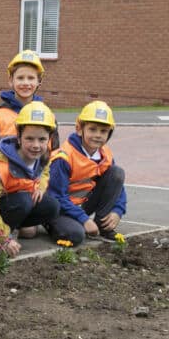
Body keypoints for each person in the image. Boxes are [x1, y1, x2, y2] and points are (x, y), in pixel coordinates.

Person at [46, 101, 126, 246]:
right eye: (92, 129)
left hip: (82, 205)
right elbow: (57, 197)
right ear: (79, 129)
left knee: (117, 173)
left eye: (103, 131)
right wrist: (84, 219)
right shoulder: (64, 157)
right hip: (60, 208)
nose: (98, 135)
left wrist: (117, 210)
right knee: (75, 235)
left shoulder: (105, 154)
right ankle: (50, 224)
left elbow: (118, 186)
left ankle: (103, 225)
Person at [0, 101, 60, 245]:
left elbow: (45, 172)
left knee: (52, 207)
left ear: (49, 138)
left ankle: (14, 227)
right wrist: (2, 236)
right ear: (18, 137)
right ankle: (0, 236)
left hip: (19, 203)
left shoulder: (44, 156)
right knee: (24, 201)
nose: (36, 145)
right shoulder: (0, 165)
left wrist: (40, 187)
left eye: (42, 139)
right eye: (29, 138)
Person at [0, 51, 58, 151]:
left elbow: (54, 154)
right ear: (11, 80)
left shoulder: (48, 116)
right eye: (20, 78)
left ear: (39, 81)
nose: (25, 83)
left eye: (31, 78)